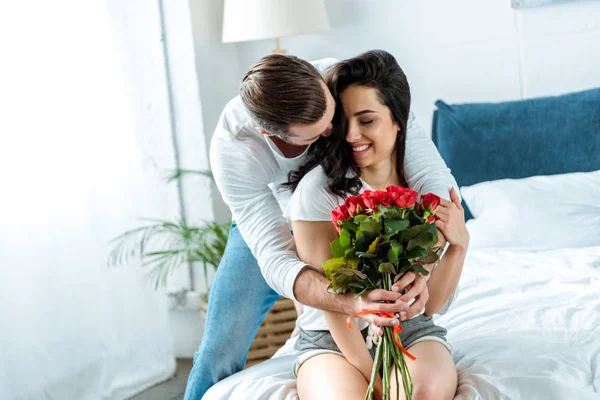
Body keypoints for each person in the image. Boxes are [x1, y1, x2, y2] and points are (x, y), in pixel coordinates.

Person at [184, 54, 459, 399]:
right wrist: (351, 304)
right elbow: (275, 262)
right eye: (320, 131)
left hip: (341, 210)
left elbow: (436, 183)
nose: (337, 132)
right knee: (220, 348)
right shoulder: (235, 151)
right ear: (269, 133)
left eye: (334, 116)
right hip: (272, 223)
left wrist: (424, 265)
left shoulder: (336, 78)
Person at [285, 50, 468, 400]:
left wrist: (458, 245)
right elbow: (332, 303)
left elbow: (429, 306)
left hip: (410, 329)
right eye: (343, 122)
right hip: (334, 338)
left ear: (399, 119)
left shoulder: (423, 193)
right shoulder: (316, 192)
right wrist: (378, 382)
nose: (352, 134)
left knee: (423, 393)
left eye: (367, 120)